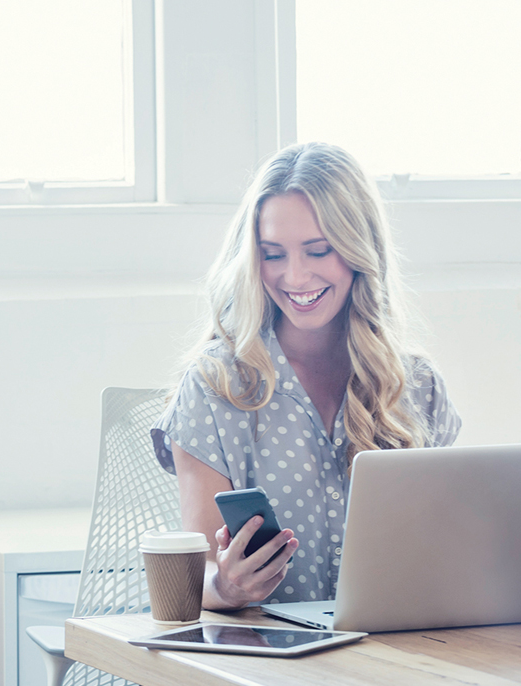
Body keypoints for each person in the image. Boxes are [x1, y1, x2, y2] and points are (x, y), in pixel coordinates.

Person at [151, 142, 461, 611]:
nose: (295, 277)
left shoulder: (417, 385)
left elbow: (450, 550)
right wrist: (228, 587)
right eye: (273, 255)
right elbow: (198, 579)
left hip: (392, 651)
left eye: (318, 251)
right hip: (264, 661)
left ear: (360, 250)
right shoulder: (215, 388)